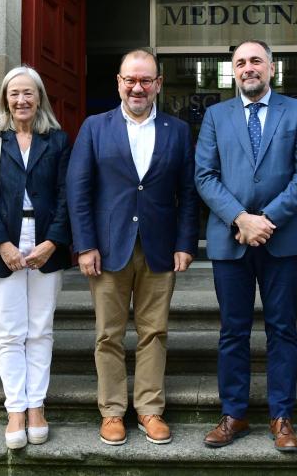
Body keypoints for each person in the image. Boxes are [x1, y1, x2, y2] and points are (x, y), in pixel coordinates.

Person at [67, 49, 199, 446]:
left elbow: (188, 193)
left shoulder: (177, 131)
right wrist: (85, 244)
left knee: (154, 331)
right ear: (119, 83)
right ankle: (111, 412)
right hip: (107, 249)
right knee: (108, 334)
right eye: (130, 80)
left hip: (159, 247)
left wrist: (185, 242)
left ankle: (149, 409)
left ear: (158, 84)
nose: (137, 87)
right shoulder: (95, 127)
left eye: (146, 80)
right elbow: (79, 189)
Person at [195, 40, 297, 453]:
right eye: (241, 63)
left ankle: (281, 416)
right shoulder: (215, 115)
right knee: (233, 330)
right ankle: (234, 414)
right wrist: (241, 219)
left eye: (256, 61)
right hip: (230, 240)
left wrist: (266, 221)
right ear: (234, 70)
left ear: (271, 68)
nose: (248, 68)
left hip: (281, 239)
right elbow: (205, 176)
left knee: (282, 329)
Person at [0, 66, 72, 449]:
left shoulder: (58, 141)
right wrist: (2, 244)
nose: (21, 100)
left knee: (41, 328)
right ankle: (15, 407)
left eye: (29, 93)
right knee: (10, 330)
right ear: (5, 99)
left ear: (40, 98)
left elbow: (68, 195)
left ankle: (36, 407)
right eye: (14, 93)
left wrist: (53, 242)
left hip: (46, 241)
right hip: (6, 244)